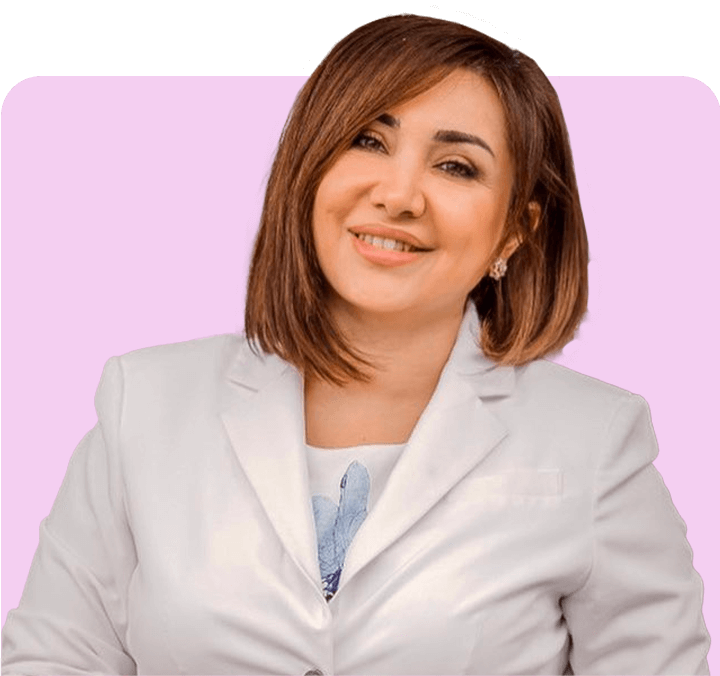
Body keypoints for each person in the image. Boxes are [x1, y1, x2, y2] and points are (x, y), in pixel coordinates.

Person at [0, 14, 711, 676]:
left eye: (456, 166)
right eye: (367, 140)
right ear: (310, 167)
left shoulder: (595, 440)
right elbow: (53, 658)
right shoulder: (144, 405)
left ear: (514, 230)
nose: (399, 196)